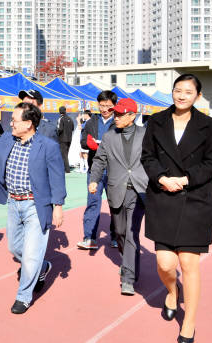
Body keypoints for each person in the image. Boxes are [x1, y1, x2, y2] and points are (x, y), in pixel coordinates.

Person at [141, 74, 212, 343]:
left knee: (188, 263)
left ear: (197, 96)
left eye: (188, 91)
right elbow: (147, 156)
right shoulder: (156, 121)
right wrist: (162, 178)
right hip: (163, 196)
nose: (181, 95)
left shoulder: (207, 125)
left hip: (195, 197)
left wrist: (185, 179)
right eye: (177, 90)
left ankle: (190, 323)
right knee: (165, 264)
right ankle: (173, 291)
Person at [0, 101, 65, 314]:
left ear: (28, 124)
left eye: (15, 121)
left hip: (37, 204)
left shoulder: (48, 146)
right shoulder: (7, 139)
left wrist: (58, 206)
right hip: (13, 203)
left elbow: (57, 177)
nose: (11, 124)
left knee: (31, 255)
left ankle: (24, 296)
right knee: (15, 248)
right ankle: (42, 267)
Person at [88, 98, 147, 296]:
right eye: (116, 113)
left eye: (121, 114)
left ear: (132, 116)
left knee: (131, 234)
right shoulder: (109, 136)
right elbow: (99, 160)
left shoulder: (146, 135)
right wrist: (94, 180)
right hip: (115, 190)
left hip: (139, 191)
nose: (116, 117)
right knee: (121, 232)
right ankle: (128, 261)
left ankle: (128, 278)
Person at [78, 90, 118, 250]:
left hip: (115, 170)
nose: (104, 109)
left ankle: (116, 236)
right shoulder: (91, 121)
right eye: (101, 105)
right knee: (93, 203)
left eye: (108, 106)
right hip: (95, 169)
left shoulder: (119, 120)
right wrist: (89, 143)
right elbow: (82, 140)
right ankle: (89, 237)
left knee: (116, 205)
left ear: (114, 106)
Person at [56, 106, 74, 173]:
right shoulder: (70, 118)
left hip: (62, 139)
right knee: (66, 154)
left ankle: (67, 169)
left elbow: (60, 129)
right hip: (69, 138)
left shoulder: (61, 119)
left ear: (59, 111)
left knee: (63, 154)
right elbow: (72, 128)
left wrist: (56, 134)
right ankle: (66, 168)